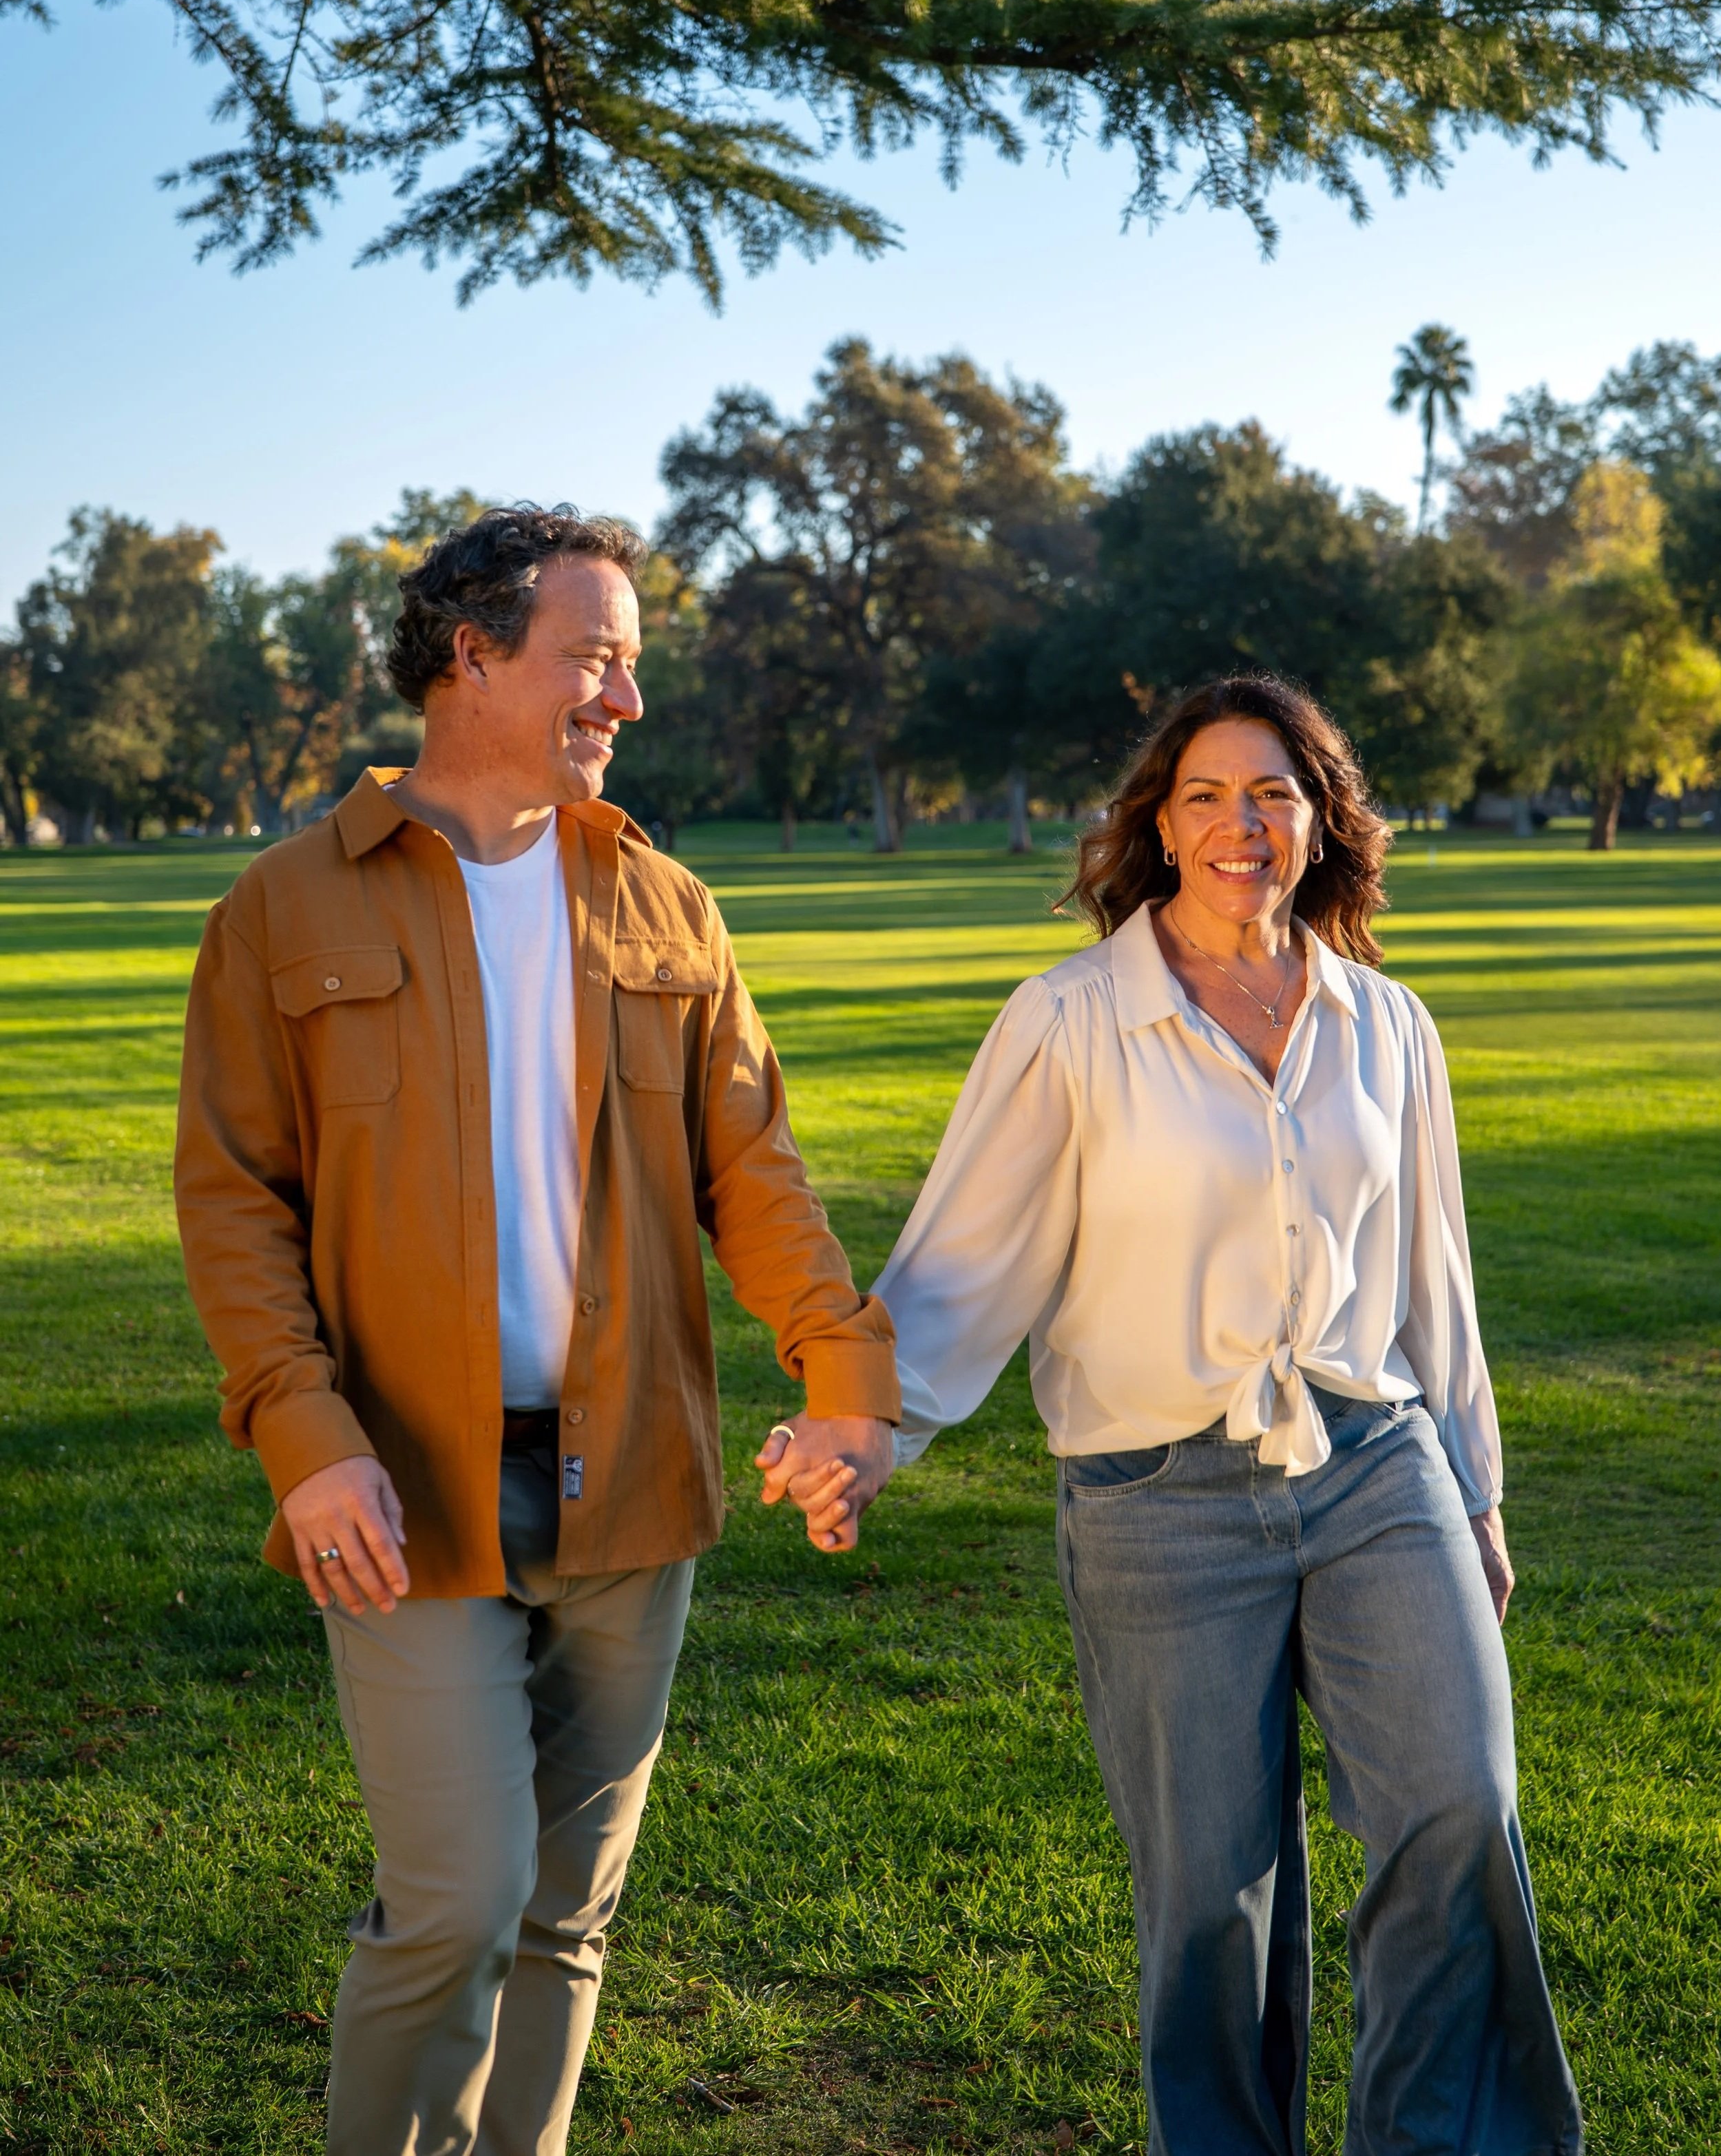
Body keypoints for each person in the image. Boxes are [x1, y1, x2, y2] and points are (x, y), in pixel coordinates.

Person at [174, 505, 897, 2156]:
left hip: (629, 1482)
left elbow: (756, 1175)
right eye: (594, 659)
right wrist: (306, 1441)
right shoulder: (283, 910)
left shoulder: (665, 904)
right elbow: (233, 1205)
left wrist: (844, 1379)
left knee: (567, 1915)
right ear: (471, 656)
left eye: (629, 667)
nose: (622, 701)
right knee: (458, 1903)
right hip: (401, 1492)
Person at [864, 673, 1581, 2155]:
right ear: (1158, 822)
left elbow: (1428, 1275)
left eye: (1271, 794)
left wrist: (1476, 1492)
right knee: (1209, 1894)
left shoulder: (1384, 1022)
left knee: (1458, 1810)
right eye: (1203, 795)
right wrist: (866, 1426)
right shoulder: (1070, 1020)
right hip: (1155, 1500)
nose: (1238, 824)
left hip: (1376, 1467)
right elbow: (957, 1262)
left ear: (1319, 822)